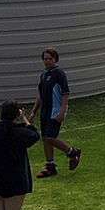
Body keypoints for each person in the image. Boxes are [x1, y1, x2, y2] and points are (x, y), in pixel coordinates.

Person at [29, 47, 81, 178]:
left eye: (50, 59)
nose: (47, 61)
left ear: (55, 59)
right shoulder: (44, 74)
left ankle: (71, 152)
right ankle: (50, 165)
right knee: (45, 138)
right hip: (45, 111)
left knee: (50, 138)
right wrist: (34, 111)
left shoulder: (59, 74)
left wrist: (62, 110)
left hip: (55, 110)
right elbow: (40, 95)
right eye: (45, 59)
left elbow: (65, 93)